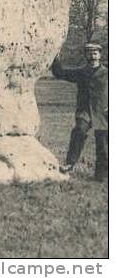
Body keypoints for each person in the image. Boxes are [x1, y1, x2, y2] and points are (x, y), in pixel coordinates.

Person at [51, 43, 108, 181]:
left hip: (103, 111)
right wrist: (55, 57)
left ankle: (102, 174)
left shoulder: (108, 73)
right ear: (86, 55)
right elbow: (61, 73)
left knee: (103, 143)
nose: (92, 55)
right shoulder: (82, 72)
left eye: (95, 53)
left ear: (100, 55)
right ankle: (70, 163)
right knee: (79, 131)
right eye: (89, 53)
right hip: (85, 111)